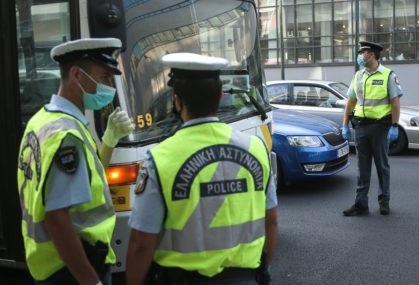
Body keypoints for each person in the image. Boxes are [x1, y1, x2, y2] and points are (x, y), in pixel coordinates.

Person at [126, 52, 278, 285]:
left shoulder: (160, 158)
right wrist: (261, 271)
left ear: (176, 100)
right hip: (246, 278)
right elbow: (271, 222)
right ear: (220, 97)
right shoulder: (256, 148)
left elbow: (141, 243)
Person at [17, 38, 134, 284]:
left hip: (55, 265)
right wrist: (92, 282)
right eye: (103, 77)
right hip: (72, 269)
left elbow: (84, 185)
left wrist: (109, 141)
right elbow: (56, 219)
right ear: (77, 75)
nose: (109, 86)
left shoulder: (42, 121)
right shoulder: (66, 136)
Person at [342, 41, 403, 216]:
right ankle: (360, 204)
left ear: (373, 55)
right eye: (360, 52)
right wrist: (345, 124)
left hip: (379, 128)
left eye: (364, 52)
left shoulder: (388, 75)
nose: (360, 55)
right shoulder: (358, 76)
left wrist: (394, 125)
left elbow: (395, 103)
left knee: (382, 166)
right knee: (362, 168)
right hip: (361, 127)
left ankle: (384, 202)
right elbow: (351, 101)